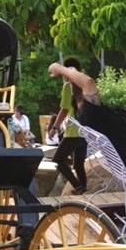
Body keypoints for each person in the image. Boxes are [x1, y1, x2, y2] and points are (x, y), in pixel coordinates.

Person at [48, 60, 126, 172]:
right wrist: (59, 68)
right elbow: (88, 82)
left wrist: (68, 72)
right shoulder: (90, 109)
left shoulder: (82, 113)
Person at [46, 59, 88, 193]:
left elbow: (64, 110)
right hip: (86, 130)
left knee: (57, 160)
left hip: (73, 131)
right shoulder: (85, 84)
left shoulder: (67, 87)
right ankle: (82, 188)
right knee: (78, 164)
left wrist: (54, 128)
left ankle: (77, 186)